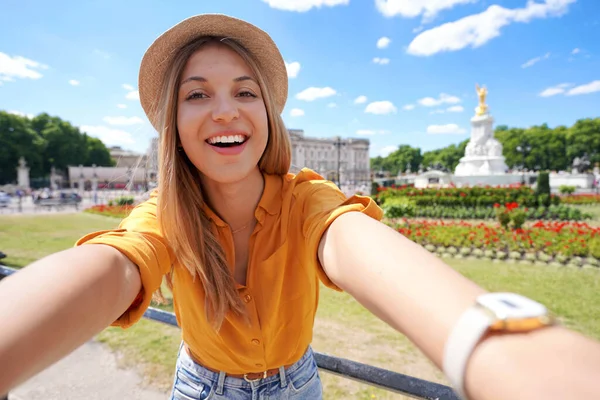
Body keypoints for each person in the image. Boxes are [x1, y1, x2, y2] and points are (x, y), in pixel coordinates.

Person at [0, 14, 599, 400]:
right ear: (172, 127)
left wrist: (498, 345)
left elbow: (359, 246)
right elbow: (112, 265)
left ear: (268, 116)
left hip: (298, 385)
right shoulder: (163, 213)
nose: (225, 110)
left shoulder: (308, 198)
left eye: (245, 91)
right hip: (199, 388)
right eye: (196, 94)